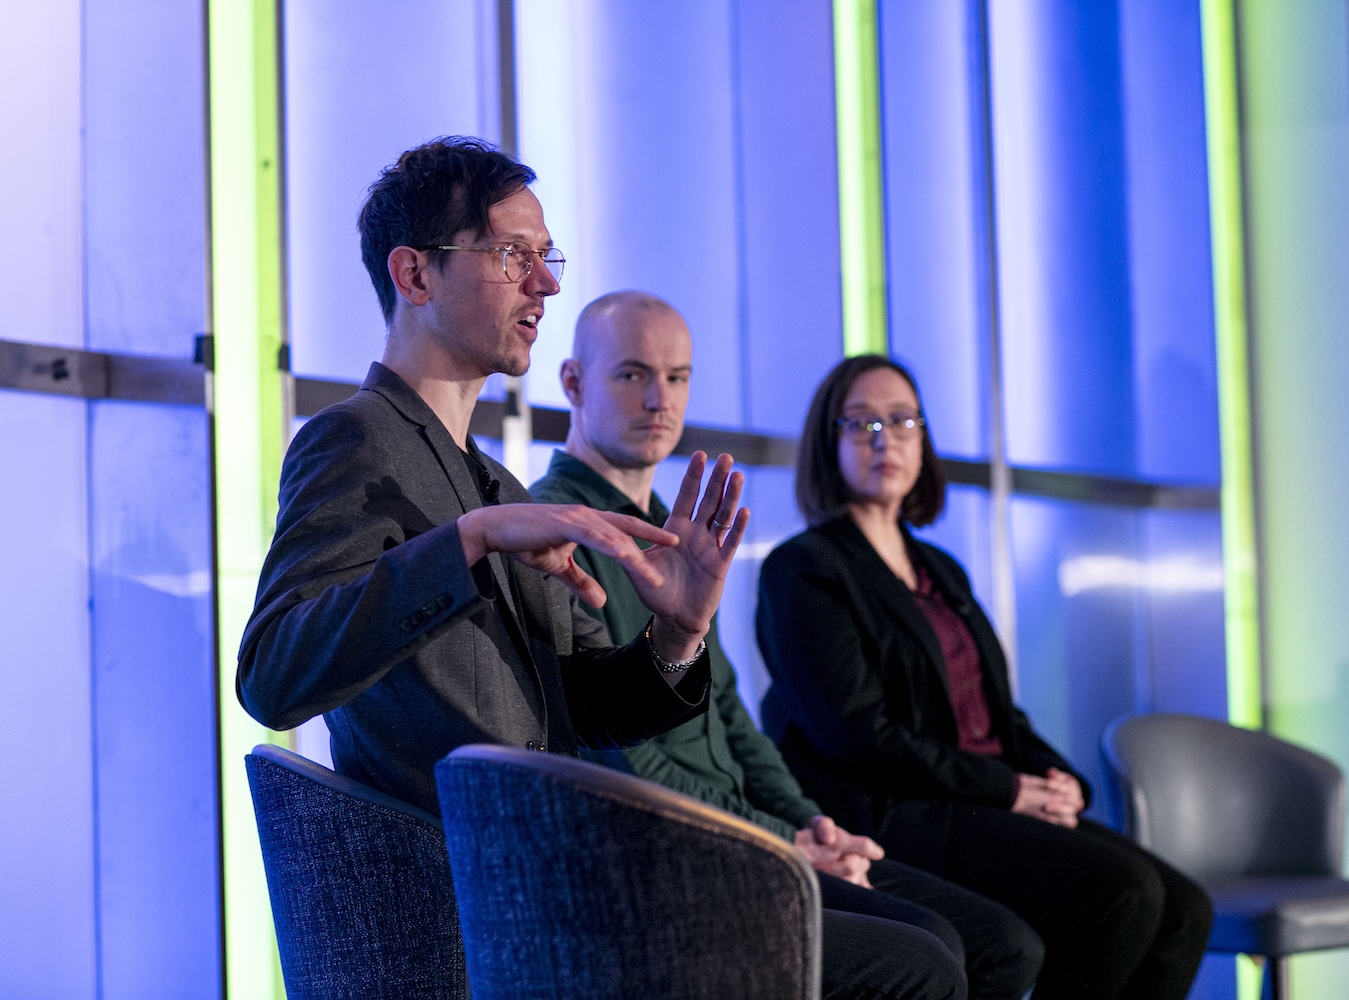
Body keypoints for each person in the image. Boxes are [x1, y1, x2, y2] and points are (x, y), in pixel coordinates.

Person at [530, 291, 1043, 1000]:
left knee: (999, 943)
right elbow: (623, 757)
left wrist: (809, 824)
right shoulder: (560, 533)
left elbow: (733, 717)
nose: (659, 398)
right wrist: (783, 839)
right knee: (938, 953)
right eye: (631, 374)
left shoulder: (672, 528)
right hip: (679, 852)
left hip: (760, 829)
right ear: (574, 384)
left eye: (677, 377)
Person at [236, 137, 742, 817]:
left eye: (546, 255)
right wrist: (467, 542)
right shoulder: (357, 438)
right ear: (416, 277)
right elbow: (274, 677)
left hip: (540, 864)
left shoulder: (502, 487)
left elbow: (588, 709)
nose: (548, 284)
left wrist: (677, 635)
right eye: (512, 255)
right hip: (450, 880)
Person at [756, 354, 1215, 1000]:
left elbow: (995, 712)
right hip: (907, 809)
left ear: (924, 441)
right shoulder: (803, 569)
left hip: (985, 797)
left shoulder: (940, 570)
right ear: (828, 444)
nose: (884, 438)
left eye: (902, 420)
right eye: (860, 424)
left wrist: (1058, 781)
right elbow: (857, 734)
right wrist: (1008, 789)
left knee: (1187, 909)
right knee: (1125, 897)